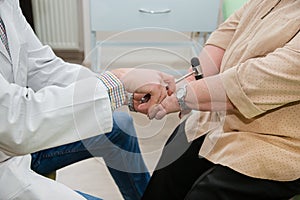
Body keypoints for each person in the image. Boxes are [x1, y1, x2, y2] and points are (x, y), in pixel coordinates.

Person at [0, 0, 176, 199]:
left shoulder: (7, 5)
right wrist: (115, 81)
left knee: (119, 126)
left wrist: (123, 92)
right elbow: (16, 122)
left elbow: (43, 68)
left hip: (21, 144)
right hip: (7, 162)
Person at [139, 0, 300, 199]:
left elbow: (249, 82)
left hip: (277, 144)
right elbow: (226, 35)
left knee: (206, 193)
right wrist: (183, 84)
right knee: (175, 153)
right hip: (221, 121)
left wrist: (180, 98)